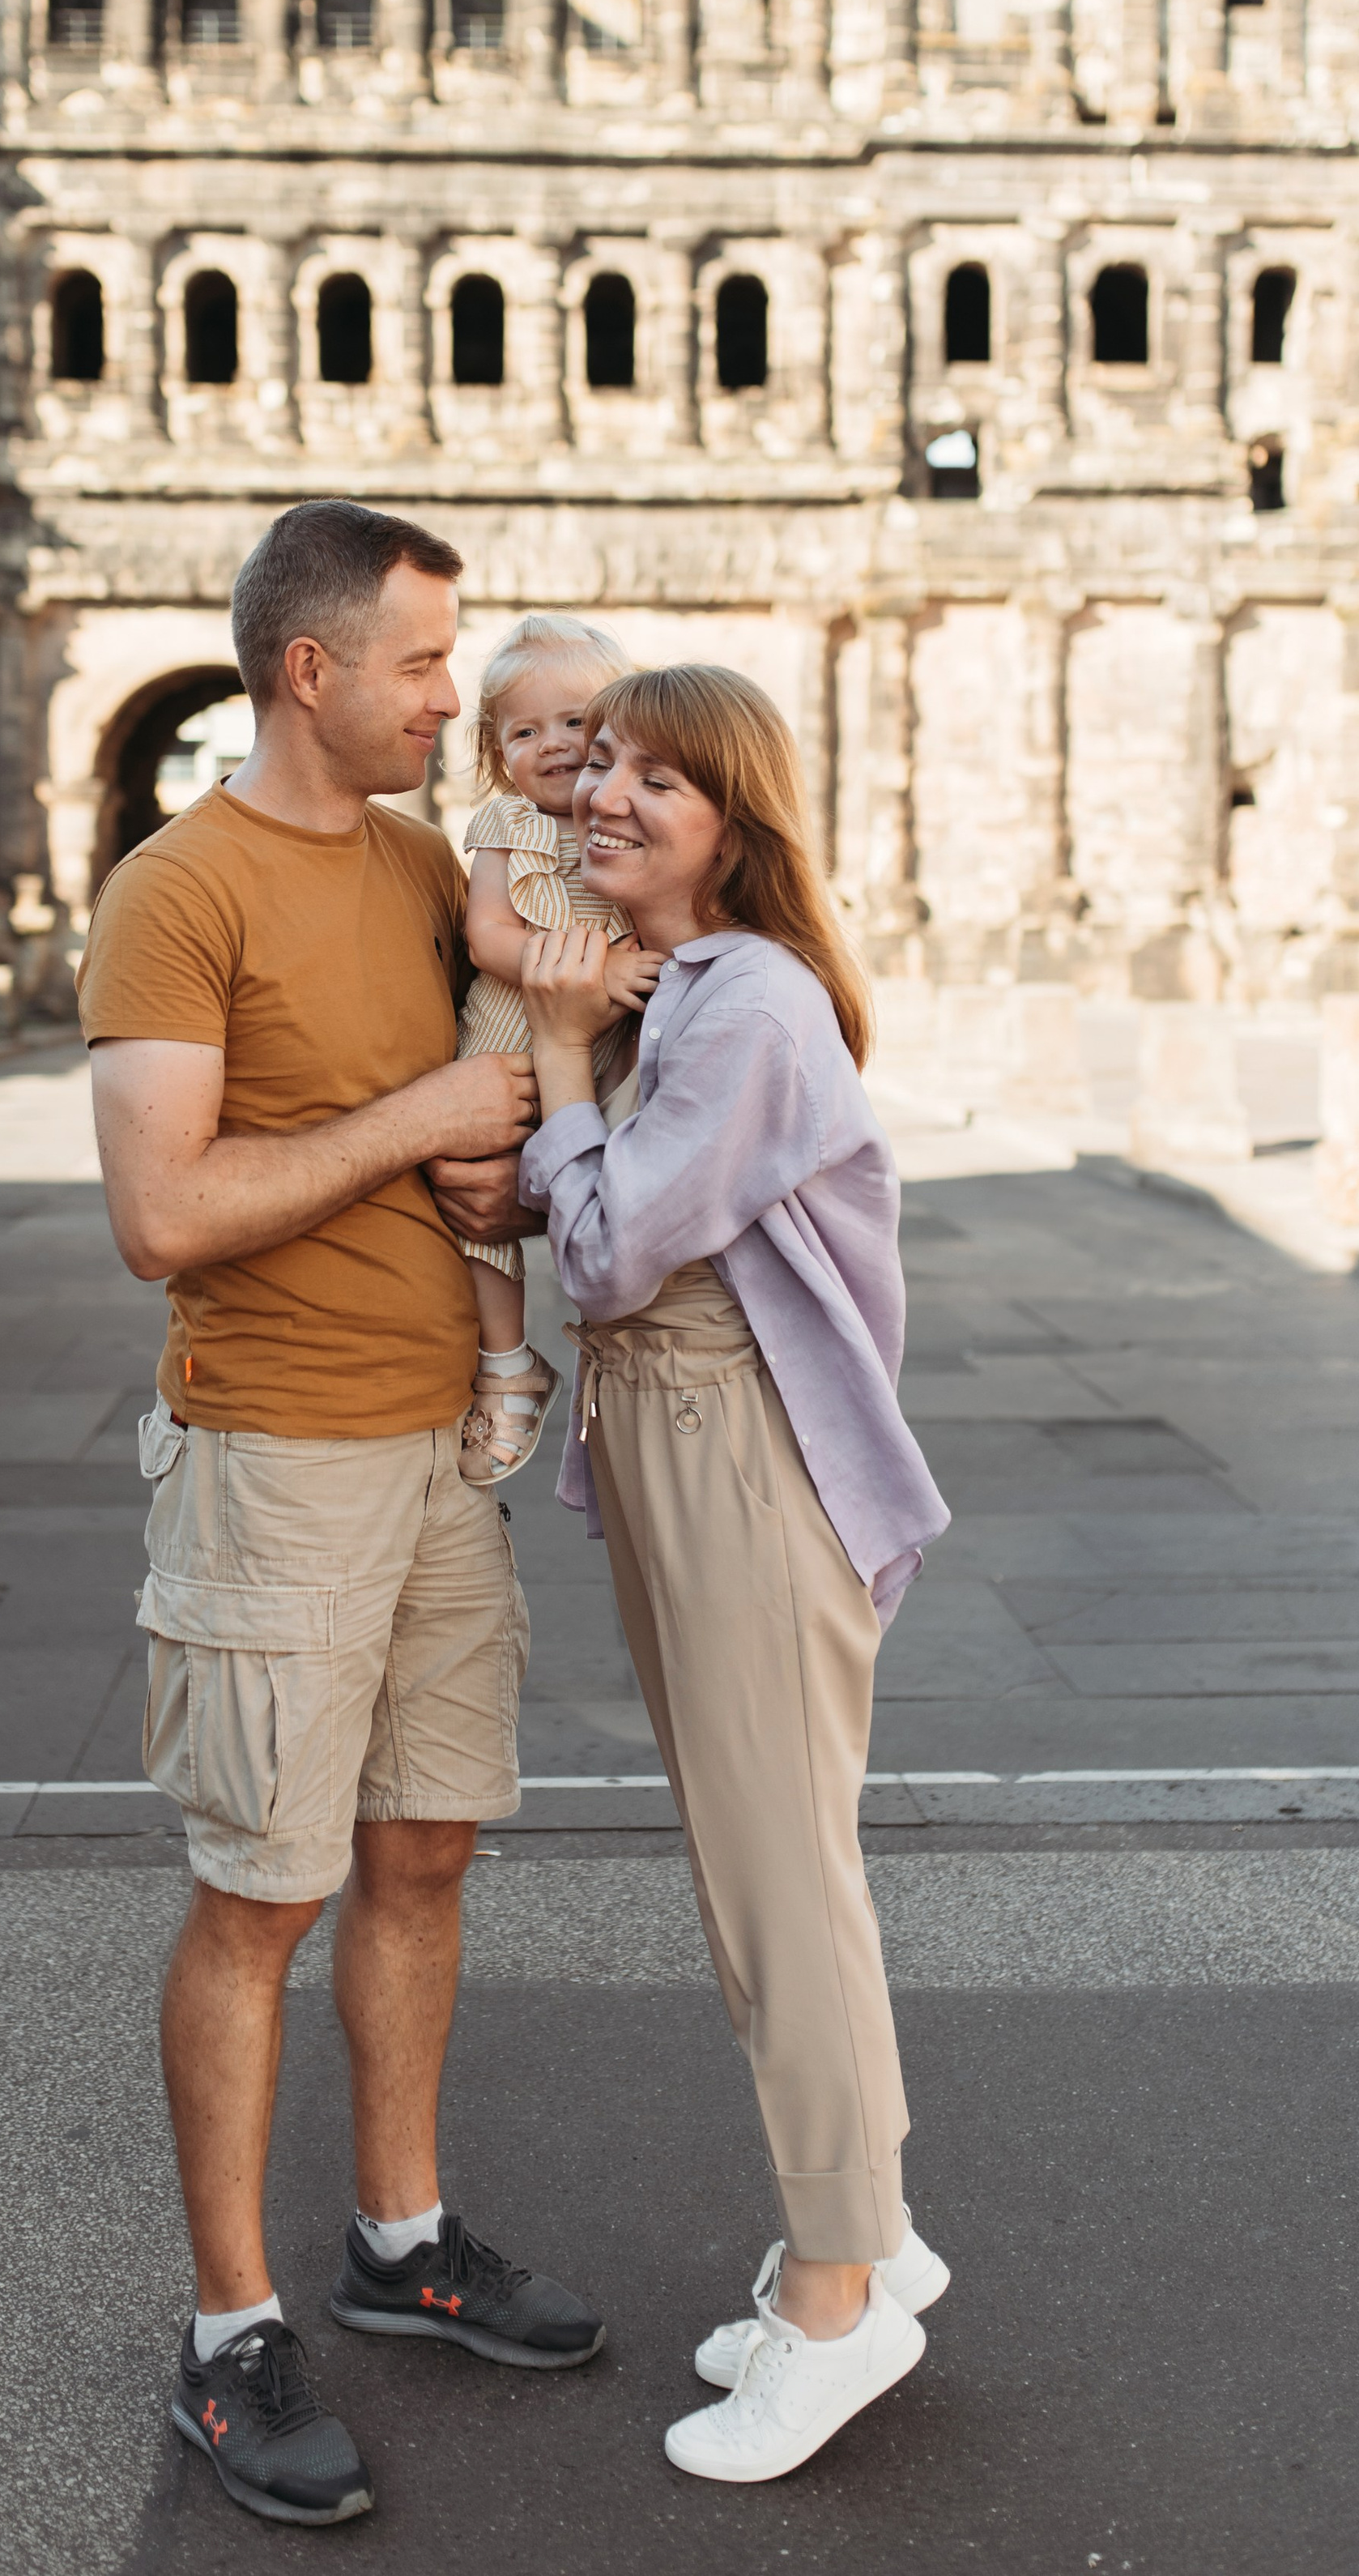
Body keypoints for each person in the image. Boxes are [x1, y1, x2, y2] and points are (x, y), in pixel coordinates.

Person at [78, 500, 604, 2532]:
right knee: (259, 1891)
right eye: (415, 664)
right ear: (309, 670)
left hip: (434, 1451)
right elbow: (161, 1213)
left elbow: (501, 1089)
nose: (448, 698)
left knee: (419, 1853)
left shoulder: (417, 861)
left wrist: (503, 1170)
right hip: (274, 1450)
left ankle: (403, 2230)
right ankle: (229, 2329)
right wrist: (424, 1126)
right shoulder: (173, 888)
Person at [516, 663, 952, 2486]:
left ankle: (842, 2301)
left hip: (737, 1459)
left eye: (655, 784)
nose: (605, 797)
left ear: (733, 825)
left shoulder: (747, 1002)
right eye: (602, 763)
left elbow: (610, 1251)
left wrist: (551, 1071)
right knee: (757, 1872)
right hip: (679, 1444)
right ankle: (861, 2236)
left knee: (784, 1891)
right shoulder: (675, 987)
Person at [451, 612, 664, 1486]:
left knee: (613, 1196)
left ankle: (615, 1353)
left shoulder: (626, 813)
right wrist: (583, 972)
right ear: (499, 755)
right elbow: (488, 934)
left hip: (602, 1054)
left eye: (577, 721)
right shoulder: (509, 823)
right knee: (468, 1204)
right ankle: (507, 1364)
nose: (556, 744)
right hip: (508, 1035)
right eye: (526, 731)